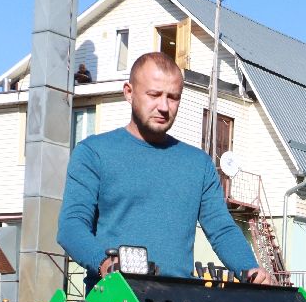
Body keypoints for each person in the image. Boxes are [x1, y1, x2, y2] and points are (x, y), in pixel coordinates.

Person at [57, 51, 272, 286]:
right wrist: (105, 264)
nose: (164, 106)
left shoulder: (198, 164)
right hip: (112, 300)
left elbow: (222, 229)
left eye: (173, 97)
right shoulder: (93, 153)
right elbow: (71, 226)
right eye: (154, 95)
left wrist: (250, 269)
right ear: (129, 92)